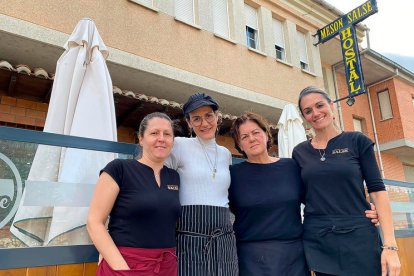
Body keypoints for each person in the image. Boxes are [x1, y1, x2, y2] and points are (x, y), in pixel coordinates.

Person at [292, 86, 401, 276]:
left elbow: (377, 191)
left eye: (320, 105)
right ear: (304, 117)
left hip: (359, 237)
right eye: (308, 111)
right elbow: (303, 195)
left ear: (331, 105)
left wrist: (390, 246)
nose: (315, 113)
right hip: (319, 239)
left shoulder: (357, 141)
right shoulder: (299, 152)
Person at [87, 112, 181, 276]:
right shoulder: (119, 169)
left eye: (167, 134)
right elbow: (94, 222)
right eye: (154, 133)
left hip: (167, 266)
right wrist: (120, 267)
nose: (161, 138)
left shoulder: (174, 177)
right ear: (141, 138)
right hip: (126, 265)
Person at [166, 93, 238, 276]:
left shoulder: (225, 154)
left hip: (223, 237)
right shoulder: (179, 145)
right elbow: (160, 180)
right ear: (189, 123)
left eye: (208, 116)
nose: (204, 123)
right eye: (196, 119)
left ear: (217, 117)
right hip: (189, 238)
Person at [229, 112, 309, 276]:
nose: (251, 138)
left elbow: (316, 201)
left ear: (266, 134)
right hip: (251, 258)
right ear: (239, 145)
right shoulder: (232, 174)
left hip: (293, 256)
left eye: (256, 132)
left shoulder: (292, 167)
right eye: (244, 137)